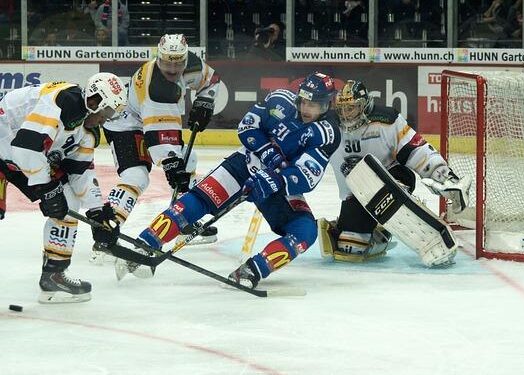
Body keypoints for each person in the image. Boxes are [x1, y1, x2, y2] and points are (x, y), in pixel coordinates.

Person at [129, 72, 341, 288]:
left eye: (313, 104)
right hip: (244, 164)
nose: (306, 108)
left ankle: (253, 270)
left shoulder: (326, 133)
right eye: (304, 101)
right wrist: (268, 152)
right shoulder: (279, 100)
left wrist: (275, 179)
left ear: (326, 105)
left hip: (277, 184)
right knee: (199, 199)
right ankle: (146, 242)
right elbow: (247, 127)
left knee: (305, 231)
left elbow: (307, 176)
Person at [0, 72, 127, 303]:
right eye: (106, 112)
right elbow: (26, 147)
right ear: (93, 101)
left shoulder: (86, 131)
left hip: (14, 155)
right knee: (55, 195)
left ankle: (53, 275)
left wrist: (98, 212)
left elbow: (81, 172)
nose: (106, 119)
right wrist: (46, 189)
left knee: (68, 201)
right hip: (7, 146)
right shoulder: (62, 101)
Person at [98, 33, 221, 270]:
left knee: (189, 159)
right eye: (167, 62)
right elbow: (158, 136)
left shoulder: (192, 65)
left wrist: (205, 101)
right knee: (136, 176)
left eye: (177, 62)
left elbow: (212, 80)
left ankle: (185, 222)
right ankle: (105, 230)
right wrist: (170, 163)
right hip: (124, 123)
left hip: (149, 120)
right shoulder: (157, 88)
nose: (172, 68)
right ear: (158, 57)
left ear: (185, 59)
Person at [317, 79, 469, 267]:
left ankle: (416, 221)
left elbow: (416, 149)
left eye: (352, 108)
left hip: (394, 177)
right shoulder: (327, 127)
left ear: (364, 106)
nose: (346, 115)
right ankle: (377, 232)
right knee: (350, 247)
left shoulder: (386, 121)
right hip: (356, 193)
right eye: (342, 109)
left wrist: (444, 176)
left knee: (385, 191)